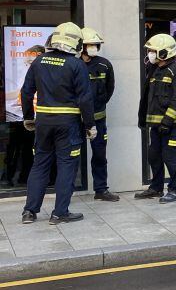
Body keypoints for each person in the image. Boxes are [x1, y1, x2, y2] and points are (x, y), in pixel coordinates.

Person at [20, 23, 95, 225]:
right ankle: (60, 213)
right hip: (68, 123)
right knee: (66, 167)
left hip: (43, 122)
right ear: (75, 42)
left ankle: (29, 212)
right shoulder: (76, 65)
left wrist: (28, 117)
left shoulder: (39, 61)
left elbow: (26, 92)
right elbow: (85, 99)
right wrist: (90, 125)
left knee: (40, 165)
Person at [135, 34, 176, 203]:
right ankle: (156, 188)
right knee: (154, 156)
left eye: (153, 50)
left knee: (169, 156)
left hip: (173, 125)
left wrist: (167, 121)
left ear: (164, 53)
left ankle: (175, 190)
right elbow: (148, 97)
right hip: (157, 125)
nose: (150, 53)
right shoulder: (155, 70)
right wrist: (143, 119)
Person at [81, 27, 118, 202]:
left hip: (98, 118)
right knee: (71, 155)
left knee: (99, 155)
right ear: (81, 46)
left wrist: (99, 104)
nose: (94, 47)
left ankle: (101, 190)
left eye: (96, 44)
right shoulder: (74, 64)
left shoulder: (104, 64)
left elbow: (109, 89)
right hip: (76, 120)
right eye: (90, 44)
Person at [2, 44, 46, 189]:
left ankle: (26, 178)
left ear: (38, 55)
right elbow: (19, 92)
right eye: (26, 63)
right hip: (21, 117)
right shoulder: (31, 74)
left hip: (37, 118)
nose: (28, 65)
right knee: (17, 147)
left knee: (30, 149)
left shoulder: (47, 74)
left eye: (29, 62)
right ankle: (12, 178)